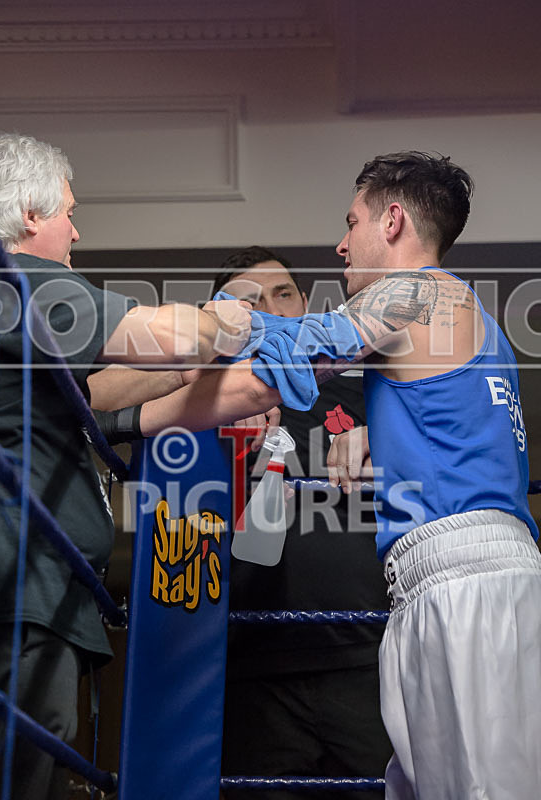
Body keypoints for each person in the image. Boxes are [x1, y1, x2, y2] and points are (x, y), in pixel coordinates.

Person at [134, 151, 541, 800]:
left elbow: (305, 351)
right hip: (438, 579)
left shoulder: (417, 290)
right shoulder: (458, 312)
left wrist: (229, 321)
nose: (340, 243)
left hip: (466, 578)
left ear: (391, 221)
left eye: (351, 220)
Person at [0, 132, 251, 800]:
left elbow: (104, 396)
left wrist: (234, 375)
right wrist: (225, 320)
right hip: (22, 585)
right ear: (29, 215)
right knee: (23, 761)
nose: (75, 230)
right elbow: (163, 336)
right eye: (68, 212)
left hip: (34, 588)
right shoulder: (24, 282)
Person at [209, 247, 391, 798]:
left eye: (282, 294)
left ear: (306, 305)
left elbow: (437, 460)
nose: (269, 308)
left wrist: (379, 441)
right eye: (248, 300)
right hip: (253, 661)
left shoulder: (367, 391)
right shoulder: (198, 397)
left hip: (364, 654)